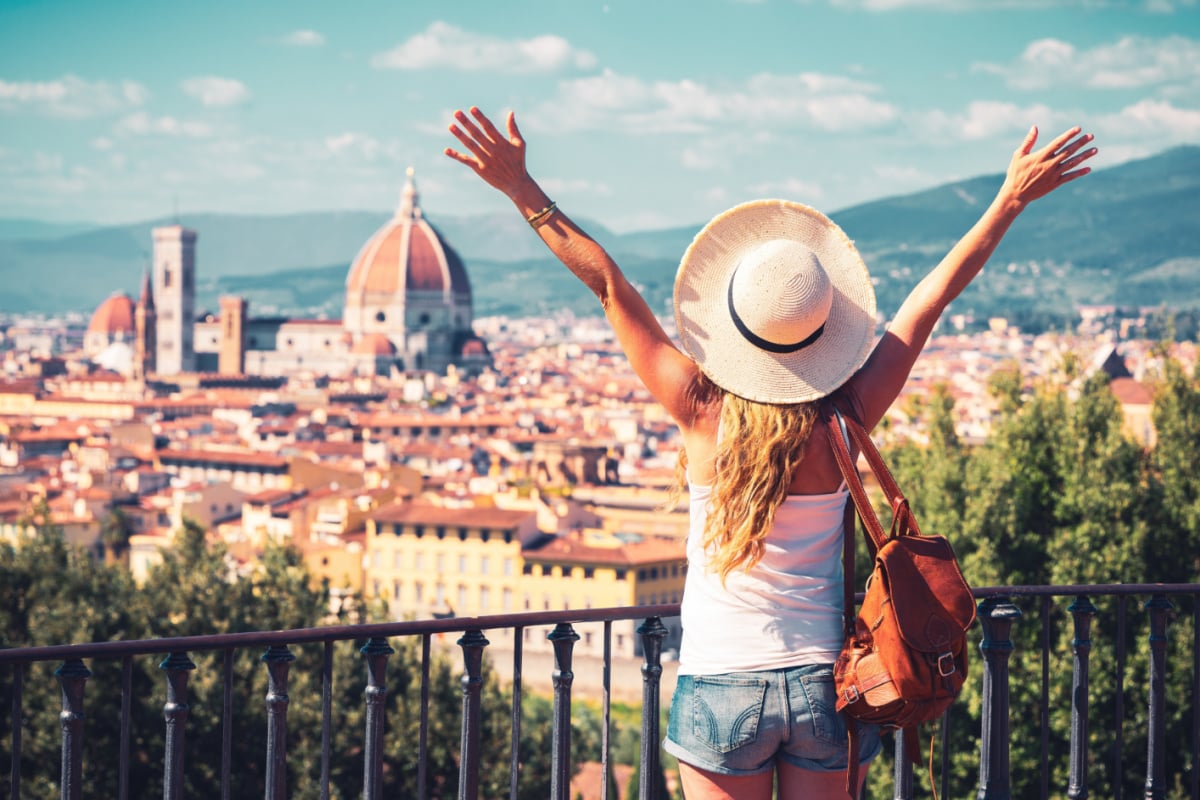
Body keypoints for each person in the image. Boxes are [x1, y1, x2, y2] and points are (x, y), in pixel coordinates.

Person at [445, 106, 1096, 800]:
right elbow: (927, 302)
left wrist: (522, 188)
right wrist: (1009, 200)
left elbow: (607, 284)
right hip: (826, 685)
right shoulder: (847, 416)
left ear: (733, 325)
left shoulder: (699, 410)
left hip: (720, 680)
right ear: (823, 333)